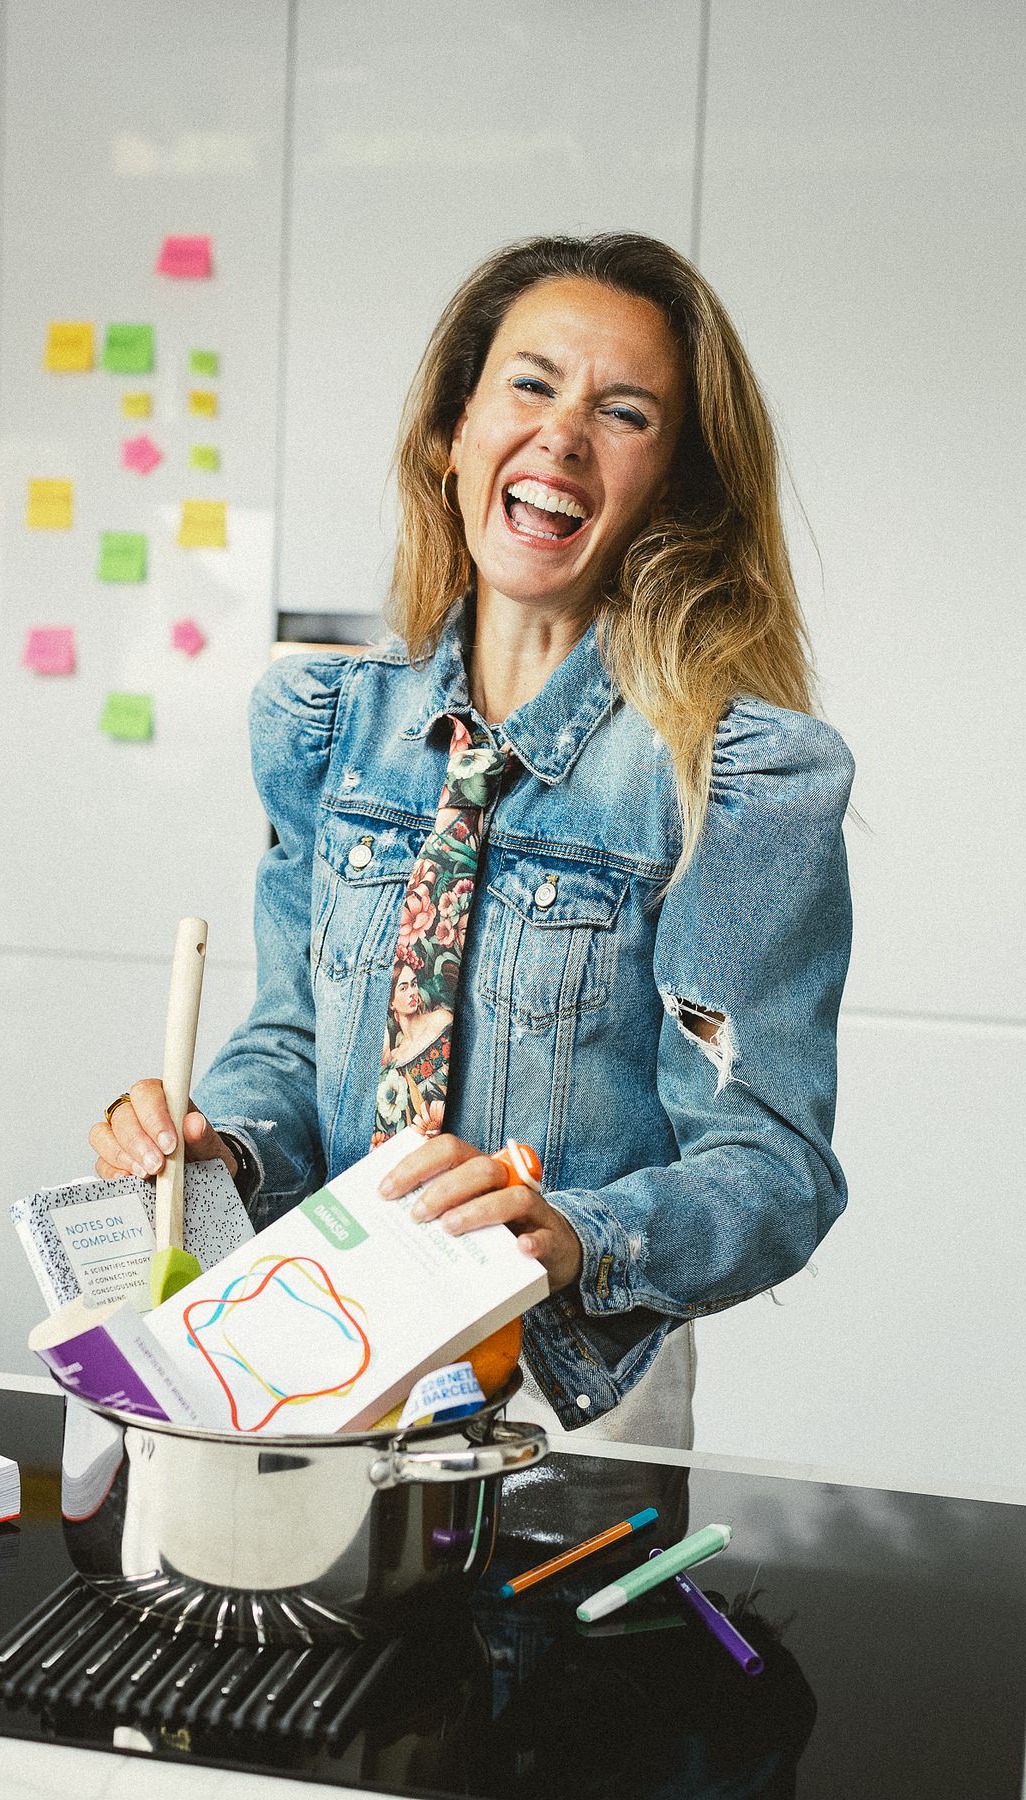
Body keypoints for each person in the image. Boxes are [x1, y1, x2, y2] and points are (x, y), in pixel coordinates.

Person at [89, 233, 854, 1447]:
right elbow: (293, 1041)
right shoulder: (327, 728)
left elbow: (772, 1168)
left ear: (675, 489)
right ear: (455, 432)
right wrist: (216, 1147)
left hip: (561, 1406)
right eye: (531, 385)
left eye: (624, 412)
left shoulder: (735, 782)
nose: (562, 436)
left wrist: (574, 1236)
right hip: (308, 1354)